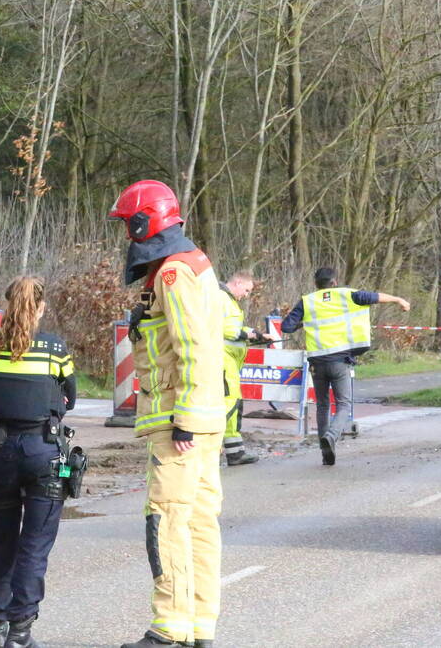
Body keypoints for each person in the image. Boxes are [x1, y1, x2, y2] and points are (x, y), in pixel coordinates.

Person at [109, 180, 225, 648]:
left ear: (144, 223)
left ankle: (170, 626)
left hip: (180, 420)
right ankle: (199, 625)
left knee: (167, 521)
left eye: (128, 224)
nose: (126, 234)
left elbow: (192, 346)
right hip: (204, 416)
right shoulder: (193, 263)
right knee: (198, 523)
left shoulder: (173, 273)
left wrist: (184, 420)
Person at [0, 276, 77, 648]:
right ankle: (20, 633)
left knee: (0, 543)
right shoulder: (54, 349)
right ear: (41, 308)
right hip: (43, 453)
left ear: (6, 306)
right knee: (33, 546)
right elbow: (70, 397)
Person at [280, 267, 410, 466]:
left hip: (317, 363)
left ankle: (325, 452)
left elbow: (286, 327)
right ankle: (331, 436)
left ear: (316, 284)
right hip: (339, 361)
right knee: (343, 404)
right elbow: (376, 297)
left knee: (323, 405)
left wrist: (306, 322)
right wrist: (398, 300)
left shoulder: (307, 301)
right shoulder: (347, 295)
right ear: (334, 282)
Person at [218, 271, 271, 466]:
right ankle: (210, 445)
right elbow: (225, 329)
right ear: (238, 282)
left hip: (229, 361)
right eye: (247, 290)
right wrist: (247, 335)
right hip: (222, 359)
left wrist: (256, 334)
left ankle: (235, 452)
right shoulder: (221, 298)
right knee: (228, 404)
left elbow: (235, 329)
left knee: (234, 404)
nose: (247, 295)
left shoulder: (229, 301)